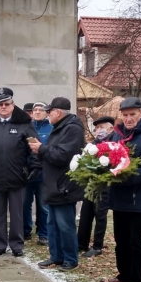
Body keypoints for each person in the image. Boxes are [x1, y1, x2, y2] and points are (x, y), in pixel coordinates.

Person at [103, 97, 141, 282]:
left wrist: (118, 176)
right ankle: (124, 275)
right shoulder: (117, 135)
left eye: (132, 114)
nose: (128, 119)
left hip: (138, 199)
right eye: (125, 115)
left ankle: (137, 280)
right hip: (119, 197)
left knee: (135, 242)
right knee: (121, 240)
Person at [0, 87, 38, 257]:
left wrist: (35, 167)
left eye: (6, 103)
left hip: (17, 175)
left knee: (17, 213)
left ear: (13, 104)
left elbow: (33, 147)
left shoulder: (24, 123)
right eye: (0, 104)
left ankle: (17, 245)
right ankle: (0, 244)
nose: (3, 107)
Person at [31, 97, 85, 271]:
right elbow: (53, 153)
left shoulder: (72, 129)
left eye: (49, 112)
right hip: (54, 184)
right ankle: (56, 257)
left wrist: (41, 148)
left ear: (58, 112)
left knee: (65, 225)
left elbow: (63, 156)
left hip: (64, 185)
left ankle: (70, 259)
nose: (47, 115)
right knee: (53, 224)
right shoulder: (60, 127)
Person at [77, 115, 119, 257]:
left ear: (111, 128)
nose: (99, 130)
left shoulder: (115, 143)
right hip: (91, 184)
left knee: (100, 215)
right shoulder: (94, 143)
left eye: (102, 127)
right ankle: (81, 243)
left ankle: (97, 245)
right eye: (97, 128)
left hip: (105, 184)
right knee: (86, 214)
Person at [24, 101, 51, 245]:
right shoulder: (27, 127)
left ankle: (43, 233)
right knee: (25, 204)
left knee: (43, 206)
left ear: (47, 112)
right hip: (28, 173)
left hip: (44, 174)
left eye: (41, 110)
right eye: (35, 110)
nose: (37, 112)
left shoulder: (51, 128)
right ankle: (25, 231)